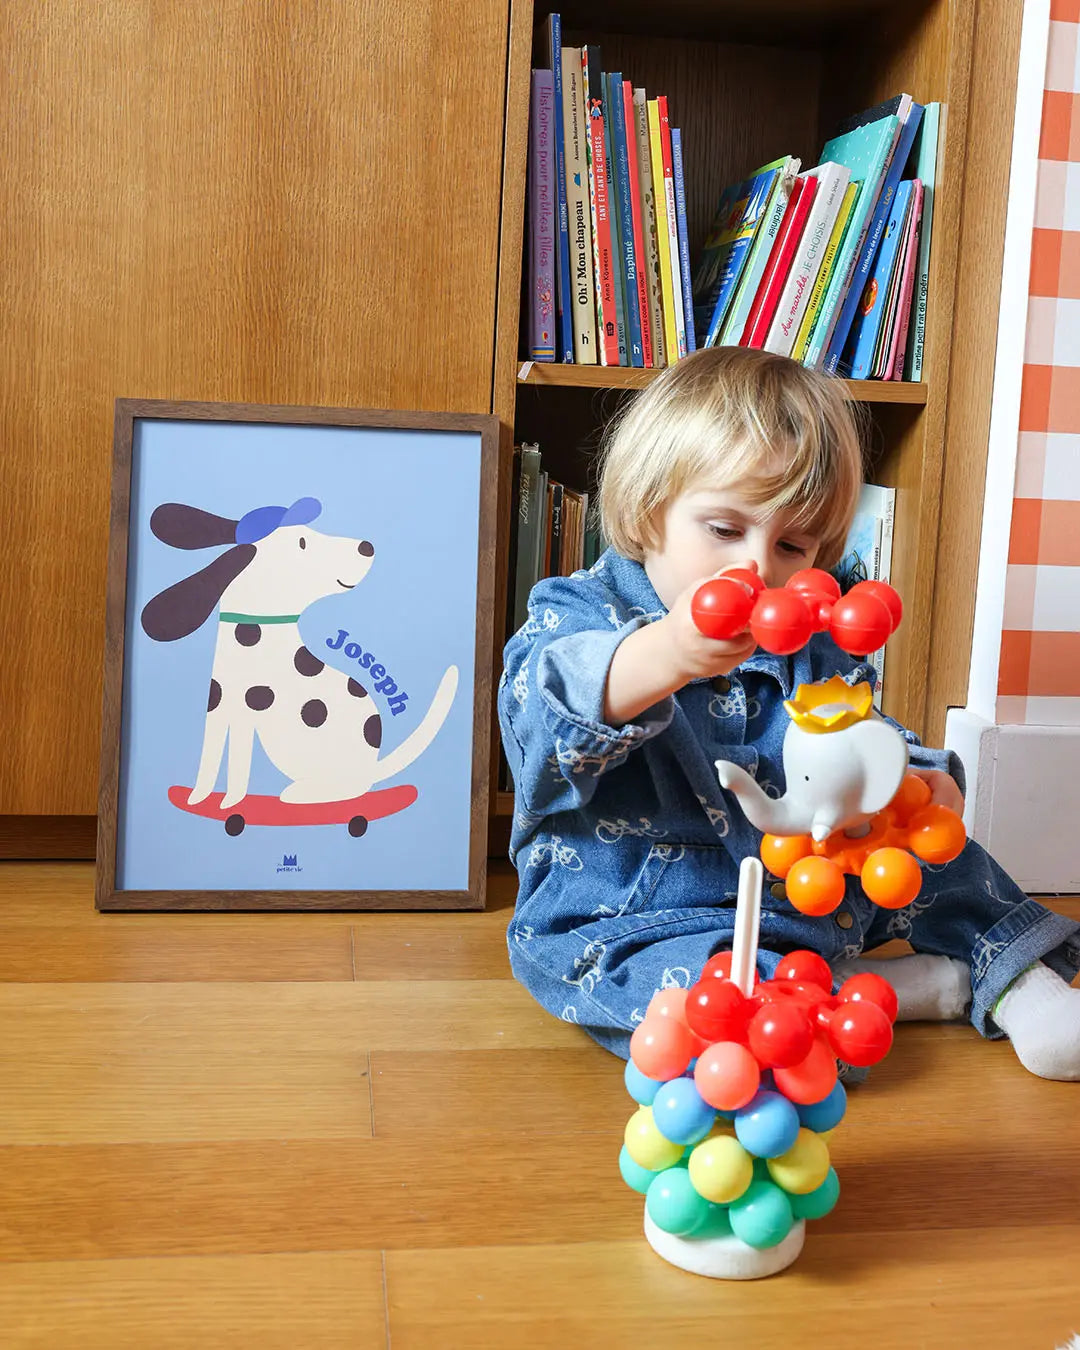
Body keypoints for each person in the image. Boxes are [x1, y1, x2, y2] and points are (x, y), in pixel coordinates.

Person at [497, 346, 1080, 1081]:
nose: (758, 567)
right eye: (723, 529)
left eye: (792, 544)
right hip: (634, 917)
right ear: (650, 510)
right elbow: (542, 726)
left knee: (935, 851)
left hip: (812, 893)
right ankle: (894, 995)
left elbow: (862, 737)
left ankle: (1016, 977)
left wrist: (915, 782)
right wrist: (667, 654)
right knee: (696, 1006)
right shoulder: (577, 612)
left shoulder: (812, 635)